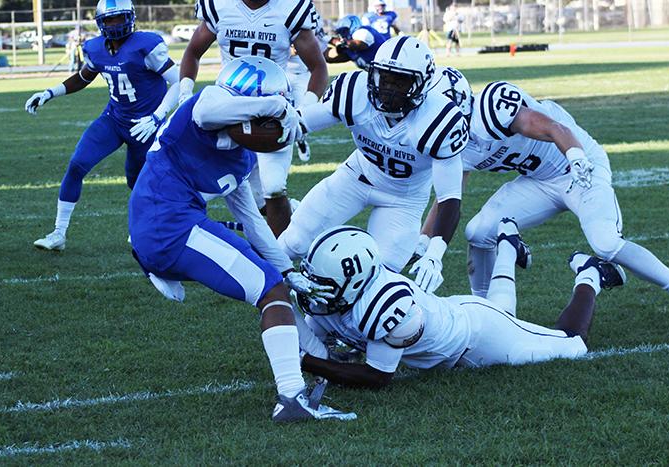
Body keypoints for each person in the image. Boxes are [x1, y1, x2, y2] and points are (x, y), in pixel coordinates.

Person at [128, 56, 355, 423]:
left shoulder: (242, 157)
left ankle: (320, 358)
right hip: (167, 226)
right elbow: (208, 114)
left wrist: (287, 269)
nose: (271, 128)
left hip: (171, 224)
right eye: (266, 122)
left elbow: (251, 218)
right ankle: (292, 398)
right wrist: (277, 105)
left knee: (274, 282)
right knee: (270, 290)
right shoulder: (204, 104)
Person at [422, 67, 669, 300]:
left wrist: (576, 156)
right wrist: (424, 242)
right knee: (478, 232)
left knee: (606, 242)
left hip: (577, 167)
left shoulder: (492, 107)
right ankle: (485, 306)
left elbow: (555, 128)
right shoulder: (451, 142)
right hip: (539, 181)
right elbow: (448, 198)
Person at [292, 223, 626, 389]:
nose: (313, 290)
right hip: (462, 316)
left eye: (324, 282)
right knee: (502, 310)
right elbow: (318, 336)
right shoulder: (338, 297)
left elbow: (377, 377)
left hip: (477, 340)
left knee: (573, 345)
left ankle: (590, 274)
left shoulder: (386, 305)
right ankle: (508, 244)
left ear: (355, 280)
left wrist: (308, 363)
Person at [279, 37, 469, 295]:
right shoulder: (355, 91)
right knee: (294, 241)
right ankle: (268, 298)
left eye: (401, 81)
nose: (389, 87)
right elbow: (300, 124)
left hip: (404, 199)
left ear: (422, 85)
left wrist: (435, 255)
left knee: (379, 280)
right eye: (385, 77)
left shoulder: (438, 119)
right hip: (355, 177)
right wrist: (267, 123)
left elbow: (449, 198)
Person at [26, 0, 180, 251]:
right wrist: (49, 92)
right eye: (109, 19)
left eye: (119, 18)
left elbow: (178, 82)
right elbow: (83, 77)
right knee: (77, 165)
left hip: (144, 126)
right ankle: (58, 233)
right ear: (100, 22)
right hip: (114, 119)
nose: (115, 24)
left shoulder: (147, 45)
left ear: (130, 18)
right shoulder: (95, 48)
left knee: (138, 183)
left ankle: (144, 229)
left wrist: (156, 117)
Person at [179, 0, 328, 237]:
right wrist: (185, 94)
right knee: (202, 178)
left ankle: (282, 262)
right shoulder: (219, 6)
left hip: (273, 112)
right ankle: (166, 224)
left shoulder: (291, 8)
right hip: (229, 110)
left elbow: (318, 67)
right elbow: (193, 52)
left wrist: (303, 111)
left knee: (274, 188)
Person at [286, 12, 330, 162]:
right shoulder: (280, 10)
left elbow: (322, 46)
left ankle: (301, 139)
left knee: (301, 113)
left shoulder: (313, 16)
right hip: (280, 71)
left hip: (303, 72)